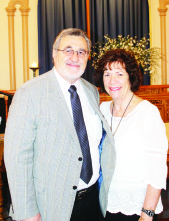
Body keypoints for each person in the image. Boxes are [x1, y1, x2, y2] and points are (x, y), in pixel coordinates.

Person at [4, 28, 115, 221]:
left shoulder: (91, 91)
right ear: (55, 54)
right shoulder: (29, 93)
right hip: (51, 204)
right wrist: (28, 212)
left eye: (82, 52)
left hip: (92, 199)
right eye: (68, 50)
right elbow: (17, 158)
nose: (75, 56)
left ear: (87, 57)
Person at [94, 48, 168, 221]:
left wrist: (147, 213)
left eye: (119, 74)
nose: (112, 80)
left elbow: (157, 169)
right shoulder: (101, 110)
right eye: (107, 74)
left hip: (138, 208)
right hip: (106, 203)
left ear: (130, 76)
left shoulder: (147, 113)